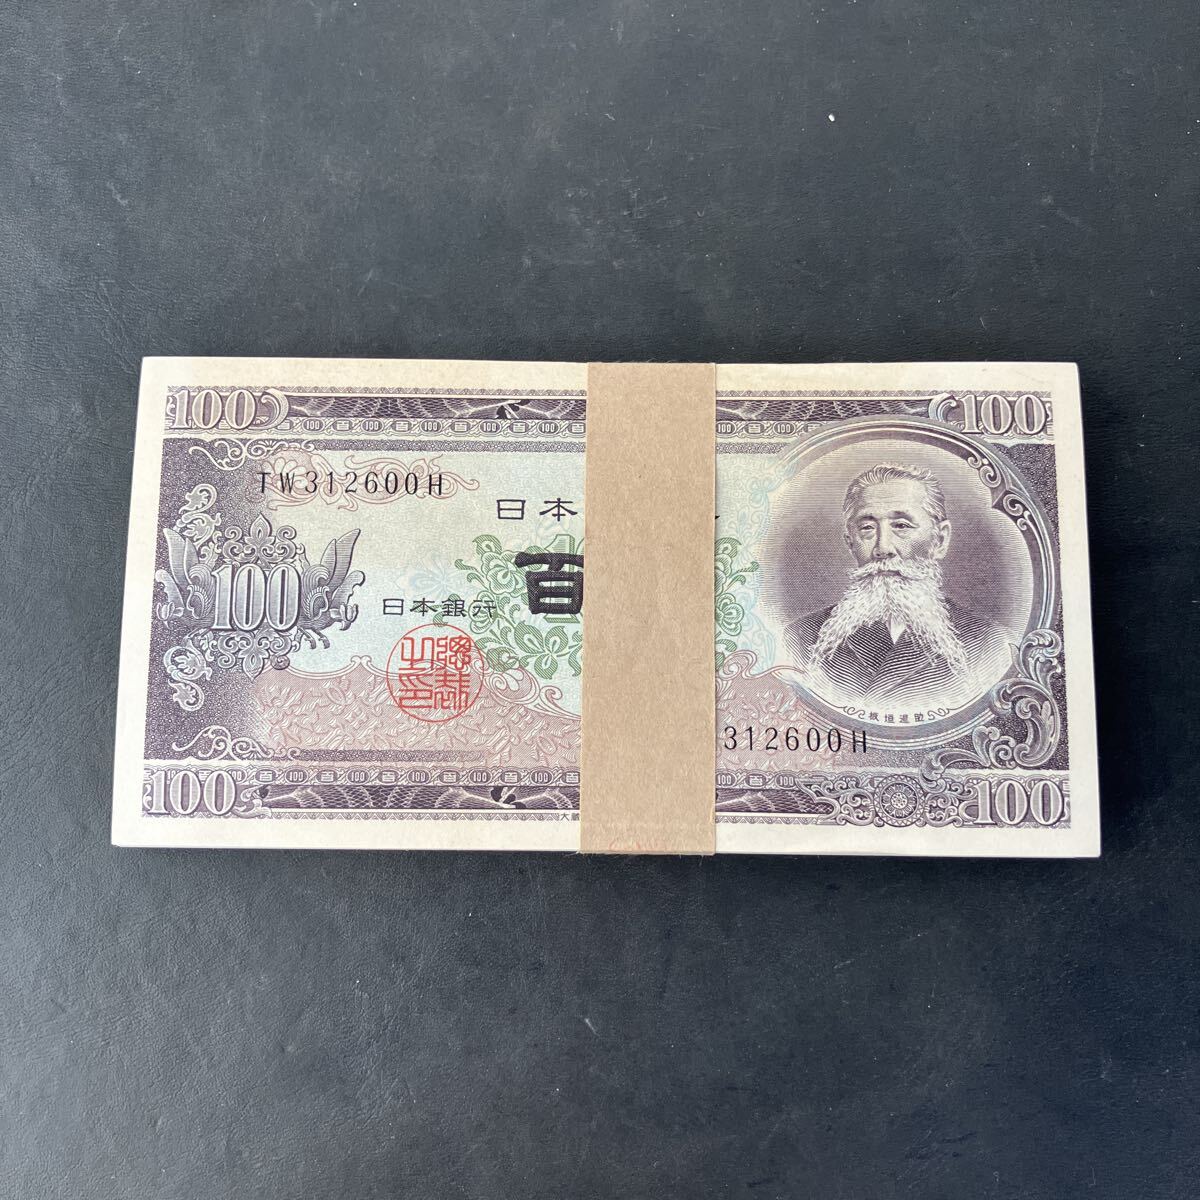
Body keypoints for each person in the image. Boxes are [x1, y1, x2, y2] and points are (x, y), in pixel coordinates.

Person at [785, 463, 1016, 711]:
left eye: (902, 526)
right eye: (867, 528)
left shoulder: (988, 644)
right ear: (850, 542)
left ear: (940, 540)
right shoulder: (800, 638)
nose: (883, 548)